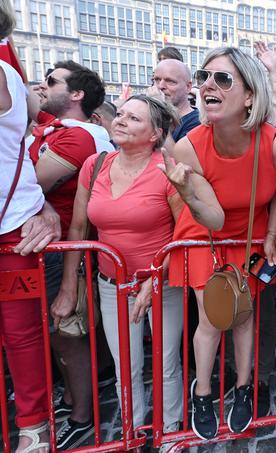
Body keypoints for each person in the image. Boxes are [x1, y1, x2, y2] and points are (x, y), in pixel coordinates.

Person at [162, 47, 276, 438]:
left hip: (250, 237)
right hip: (205, 235)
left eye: (222, 79)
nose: (207, 85)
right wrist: (185, 192)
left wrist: (271, 236)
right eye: (205, 77)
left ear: (250, 94)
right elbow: (215, 217)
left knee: (245, 317)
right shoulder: (189, 146)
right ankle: (202, 392)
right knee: (214, 318)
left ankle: (242, 389)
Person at [52, 95, 184, 439]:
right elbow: (78, 230)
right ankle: (133, 432)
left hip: (163, 285)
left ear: (155, 134)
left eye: (134, 118)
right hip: (111, 285)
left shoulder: (167, 170)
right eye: (121, 114)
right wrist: (69, 286)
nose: (121, 120)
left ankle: (170, 432)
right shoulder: (95, 165)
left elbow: (184, 233)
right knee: (126, 366)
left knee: (166, 364)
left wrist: (154, 280)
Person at [27, 59, 109, 450]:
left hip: (63, 250)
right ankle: (75, 399)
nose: (42, 86)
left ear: (76, 95)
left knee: (66, 333)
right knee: (55, 330)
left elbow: (28, 181)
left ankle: (83, 415)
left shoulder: (80, 137)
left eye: (51, 81)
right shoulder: (56, 127)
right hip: (45, 245)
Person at [0, 7, 61, 450]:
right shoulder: (13, 75)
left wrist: (43, 205)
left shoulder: (8, 75)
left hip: (16, 229)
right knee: (23, 335)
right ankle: (31, 427)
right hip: (22, 218)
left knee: (22, 335)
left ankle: (34, 427)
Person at [151, 59, 199, 143]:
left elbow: (178, 156)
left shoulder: (196, 122)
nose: (160, 86)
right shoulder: (147, 114)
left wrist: (159, 111)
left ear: (188, 87)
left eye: (170, 81)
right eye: (157, 80)